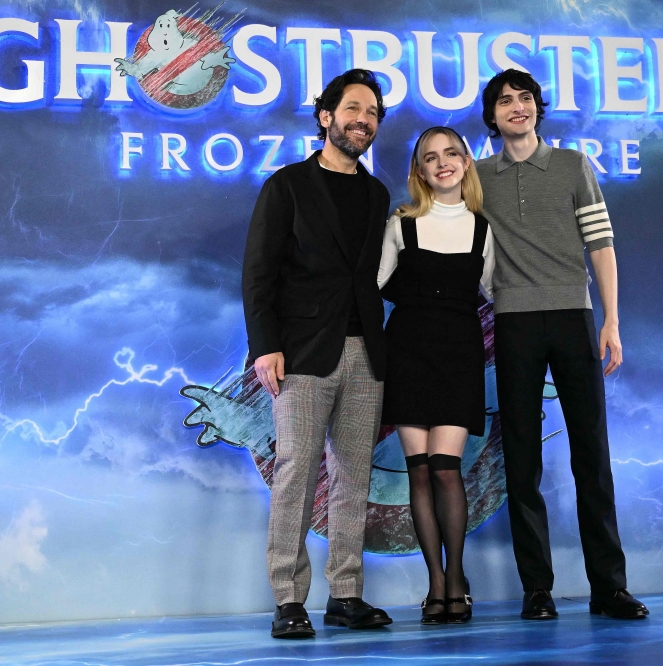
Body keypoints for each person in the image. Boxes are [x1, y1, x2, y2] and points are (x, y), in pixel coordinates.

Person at [475, 68, 649, 620]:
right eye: (505, 101)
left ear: (537, 108)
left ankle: (610, 588)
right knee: (521, 461)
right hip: (513, 322)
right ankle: (537, 589)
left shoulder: (574, 166)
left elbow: (601, 244)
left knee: (591, 456)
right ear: (493, 115)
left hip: (575, 316)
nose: (516, 108)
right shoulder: (477, 177)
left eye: (524, 99)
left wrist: (612, 320)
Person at [241, 69, 394, 639]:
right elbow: (259, 273)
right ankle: (288, 598)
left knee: (355, 479)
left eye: (373, 112)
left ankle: (346, 594)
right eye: (353, 108)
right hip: (302, 354)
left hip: (366, 354)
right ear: (326, 116)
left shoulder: (377, 195)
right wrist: (265, 347)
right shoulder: (286, 186)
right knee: (296, 476)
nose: (364, 119)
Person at [378, 126, 492, 624]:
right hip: (408, 357)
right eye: (430, 157)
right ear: (419, 172)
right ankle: (436, 584)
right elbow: (372, 285)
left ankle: (459, 577)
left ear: (466, 162)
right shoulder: (400, 225)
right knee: (420, 469)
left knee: (447, 468)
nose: (441, 162)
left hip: (459, 360)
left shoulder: (484, 230)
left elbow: (499, 294)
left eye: (450, 153)